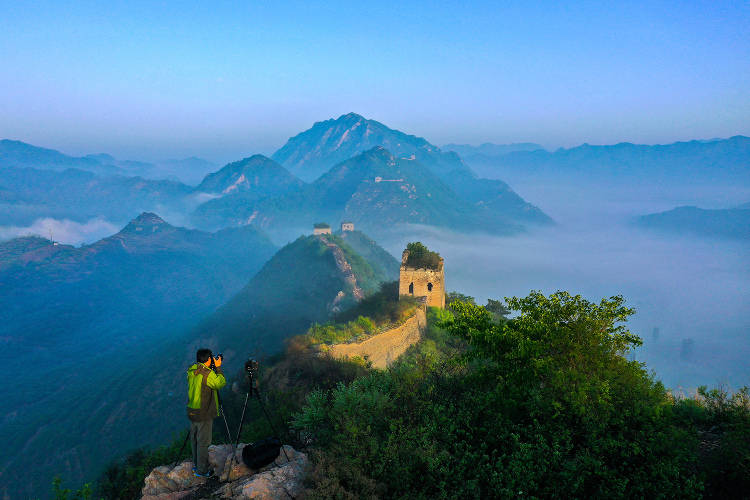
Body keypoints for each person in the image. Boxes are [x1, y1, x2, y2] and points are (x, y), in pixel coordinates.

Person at [187, 348, 227, 477]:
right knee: (203, 442)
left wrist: (211, 366)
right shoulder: (207, 374)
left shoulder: (192, 370)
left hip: (192, 410)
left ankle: (196, 465)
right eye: (212, 358)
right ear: (209, 359)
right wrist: (219, 368)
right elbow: (220, 383)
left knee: (195, 440)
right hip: (203, 412)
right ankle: (202, 471)